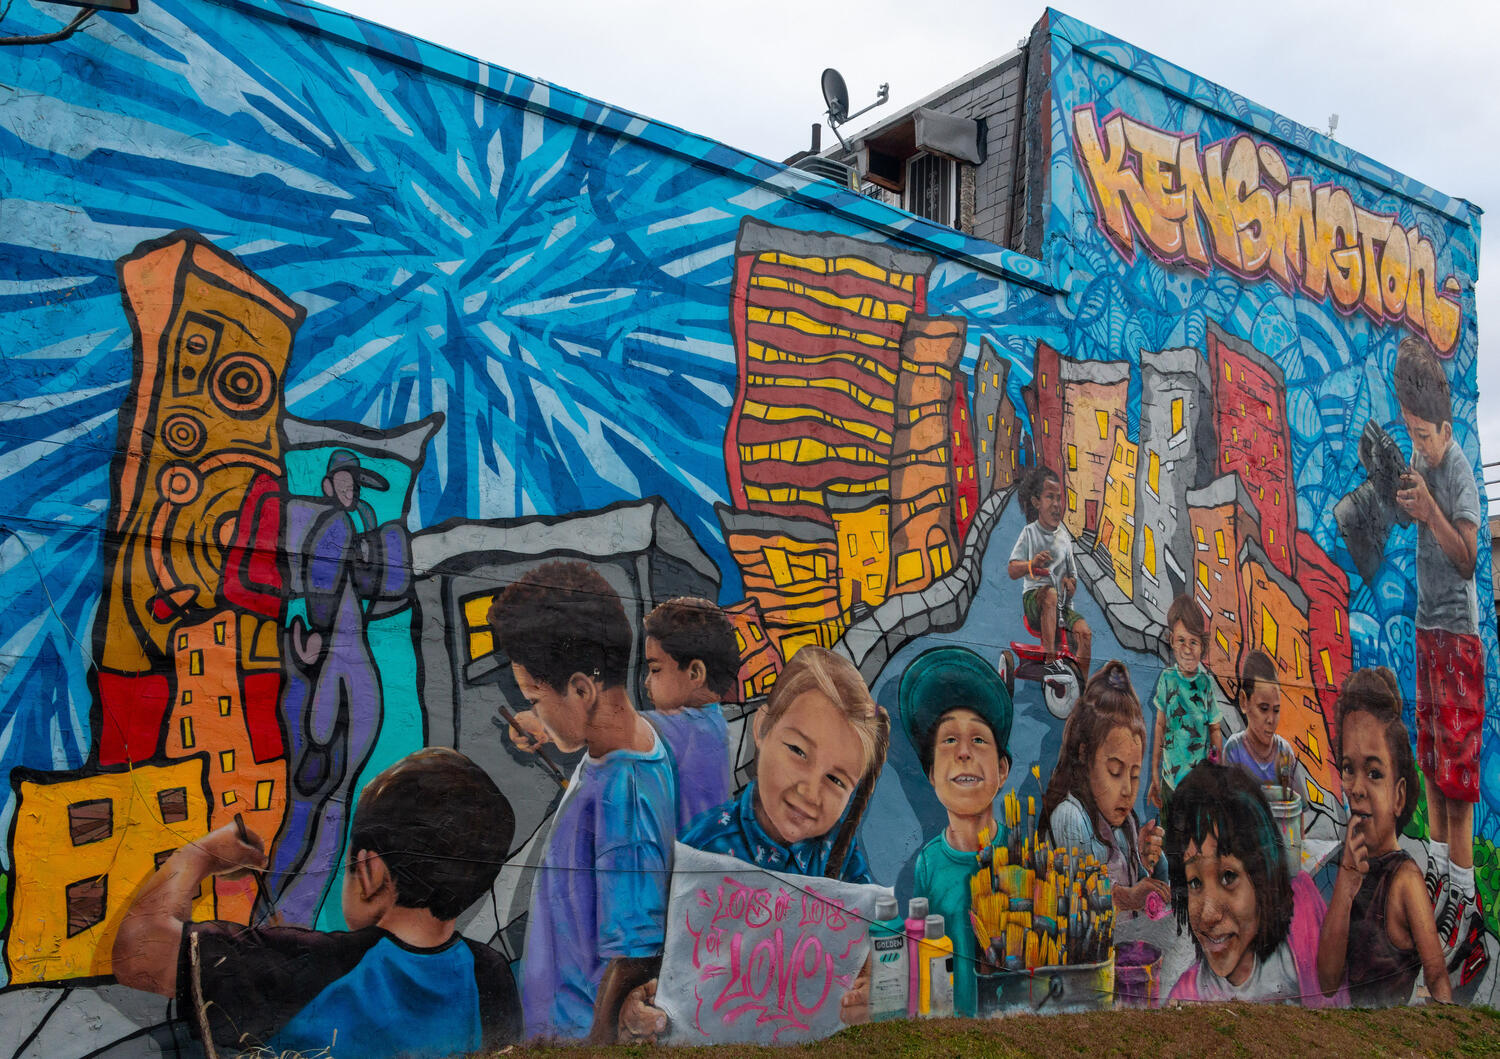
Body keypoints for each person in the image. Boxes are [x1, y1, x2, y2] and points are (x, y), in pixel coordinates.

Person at [112, 748, 521, 1059]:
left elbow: (137, 950)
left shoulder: (307, 968)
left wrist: (202, 855)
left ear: (371, 869)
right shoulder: (491, 976)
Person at [618, 645, 890, 1040]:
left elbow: (876, 938)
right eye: (798, 751)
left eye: (836, 780)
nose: (810, 791)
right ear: (762, 728)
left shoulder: (839, 852)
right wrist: (639, 1005)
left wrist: (874, 985)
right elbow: (653, 969)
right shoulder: (705, 849)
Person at [488, 560, 677, 1043]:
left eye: (533, 697)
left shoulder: (623, 799)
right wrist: (548, 724)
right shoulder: (626, 743)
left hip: (574, 1035)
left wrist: (595, 1048)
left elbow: (635, 952)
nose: (532, 709)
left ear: (580, 689)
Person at [1392, 336, 1486, 964]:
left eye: (1424, 435)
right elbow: (1414, 523)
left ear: (1445, 427)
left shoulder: (1456, 470)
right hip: (1428, 632)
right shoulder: (1423, 466)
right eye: (1411, 433)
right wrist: (1405, 502)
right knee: (1430, 761)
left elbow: (1470, 558)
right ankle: (1440, 874)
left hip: (1459, 637)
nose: (1418, 445)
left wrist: (1429, 511)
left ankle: (1465, 896)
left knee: (1457, 775)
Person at [1316, 668, 1452, 1006]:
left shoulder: (1404, 879)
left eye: (1374, 773)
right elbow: (1327, 982)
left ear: (1399, 796)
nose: (1357, 789)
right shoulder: (1354, 867)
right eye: (1348, 769)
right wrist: (1346, 883)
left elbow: (1436, 974)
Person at [1164, 762, 1345, 1006]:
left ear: (1262, 875)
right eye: (1195, 882)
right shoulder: (1185, 1000)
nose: (1208, 914)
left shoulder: (1303, 914)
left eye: (1228, 877)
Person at [899, 645, 1013, 1017]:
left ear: (1002, 771)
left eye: (978, 739)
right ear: (931, 774)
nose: (964, 752)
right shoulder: (928, 865)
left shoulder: (1023, 855)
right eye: (949, 740)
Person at [1039, 660, 1168, 912]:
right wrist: (1128, 898)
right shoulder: (1070, 816)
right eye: (1115, 771)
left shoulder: (1125, 823)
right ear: (1085, 757)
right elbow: (1085, 892)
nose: (1127, 790)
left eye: (1134, 775)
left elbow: (1137, 885)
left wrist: (1145, 859)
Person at [642, 596, 739, 829]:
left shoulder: (690, 728)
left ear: (695, 673)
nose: (647, 682)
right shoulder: (715, 724)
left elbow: (614, 725)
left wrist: (543, 722)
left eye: (655, 670)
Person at [1007, 465, 1092, 675]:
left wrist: (1071, 585)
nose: (1056, 505)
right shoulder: (1030, 533)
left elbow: (1073, 576)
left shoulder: (1064, 538)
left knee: (1084, 632)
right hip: (1035, 602)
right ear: (1036, 502)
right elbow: (1012, 569)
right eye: (1049, 497)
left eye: (1059, 498)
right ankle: (1050, 659)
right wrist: (1031, 565)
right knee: (1050, 595)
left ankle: (1081, 684)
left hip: (1062, 607)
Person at [1147, 594, 1222, 814]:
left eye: (1194, 642)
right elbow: (1160, 726)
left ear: (1202, 646)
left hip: (1200, 787)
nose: (1187, 649)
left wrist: (1217, 771)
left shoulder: (1205, 684)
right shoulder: (1167, 680)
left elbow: (1215, 729)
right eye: (1181, 640)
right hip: (1170, 782)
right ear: (1171, 641)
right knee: (1170, 841)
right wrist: (1154, 771)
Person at [1222, 650, 1299, 790]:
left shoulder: (1284, 752)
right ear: (1244, 701)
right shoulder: (1234, 749)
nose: (1271, 719)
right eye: (1263, 709)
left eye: (1276, 710)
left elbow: (1296, 804)